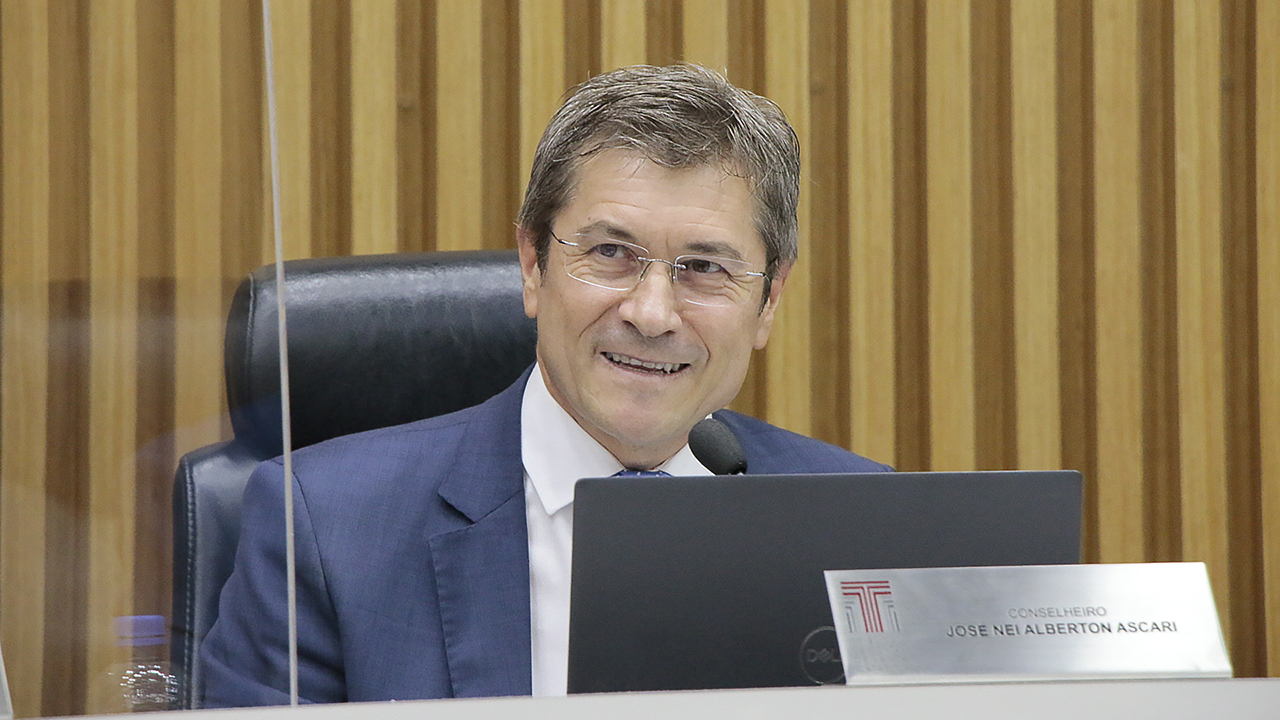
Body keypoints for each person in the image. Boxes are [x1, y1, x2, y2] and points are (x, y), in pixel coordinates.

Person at [200, 63, 890, 707]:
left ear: (769, 300)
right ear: (532, 265)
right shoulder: (325, 527)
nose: (651, 314)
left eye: (705, 266)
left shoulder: (868, 530)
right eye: (611, 254)